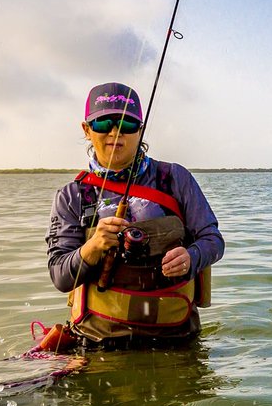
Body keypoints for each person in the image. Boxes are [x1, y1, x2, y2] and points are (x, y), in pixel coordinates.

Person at [45, 81, 224, 349]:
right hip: (96, 343)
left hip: (176, 341)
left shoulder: (175, 178)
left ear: (140, 129)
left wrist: (192, 256)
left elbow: (213, 240)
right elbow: (60, 276)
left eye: (127, 124)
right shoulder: (72, 196)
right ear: (86, 129)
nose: (115, 133)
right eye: (104, 124)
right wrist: (93, 247)